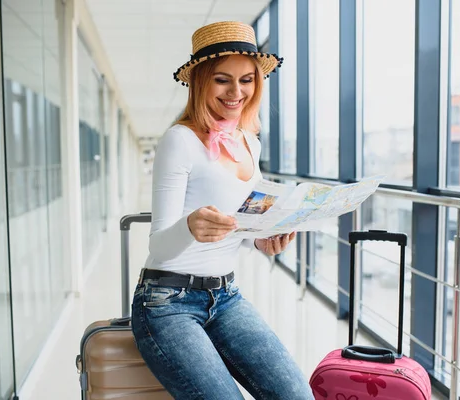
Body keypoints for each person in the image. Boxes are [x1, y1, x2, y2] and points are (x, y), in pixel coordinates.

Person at [131, 21, 315, 400]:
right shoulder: (179, 141)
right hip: (167, 303)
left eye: (246, 80)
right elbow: (159, 248)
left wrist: (263, 241)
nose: (236, 92)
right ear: (200, 81)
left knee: (297, 395)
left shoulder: (251, 141)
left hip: (226, 297)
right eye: (222, 80)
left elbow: (243, 225)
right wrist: (190, 226)